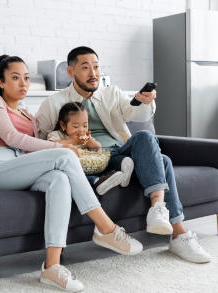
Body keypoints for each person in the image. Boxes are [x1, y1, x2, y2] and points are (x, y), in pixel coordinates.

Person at [0, 55, 144, 292]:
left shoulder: (27, 115)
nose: (23, 84)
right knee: (64, 156)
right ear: (0, 81)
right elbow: (12, 138)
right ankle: (106, 228)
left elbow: (37, 143)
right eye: (15, 78)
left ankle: (51, 266)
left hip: (21, 165)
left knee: (59, 179)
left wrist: (73, 139)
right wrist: (62, 148)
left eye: (27, 78)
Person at [36, 46, 211, 264]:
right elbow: (40, 140)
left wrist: (144, 101)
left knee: (146, 138)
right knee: (163, 161)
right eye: (85, 67)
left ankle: (158, 209)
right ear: (70, 72)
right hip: (88, 159)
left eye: (97, 67)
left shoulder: (112, 94)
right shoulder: (53, 104)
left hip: (120, 154)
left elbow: (134, 113)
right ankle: (178, 233)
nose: (93, 73)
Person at [47, 101, 134, 195]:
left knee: (106, 156)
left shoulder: (86, 137)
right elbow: (50, 145)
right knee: (76, 176)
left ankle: (121, 165)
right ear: (63, 125)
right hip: (74, 168)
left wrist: (91, 142)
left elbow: (98, 148)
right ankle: (97, 182)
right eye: (75, 126)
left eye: (85, 125)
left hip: (90, 166)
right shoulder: (56, 135)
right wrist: (73, 141)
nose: (81, 130)